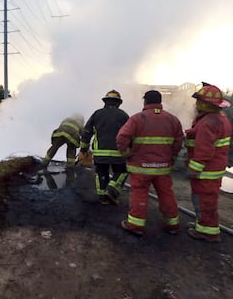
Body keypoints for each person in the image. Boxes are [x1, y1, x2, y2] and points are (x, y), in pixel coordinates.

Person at [116, 90, 183, 236]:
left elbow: (121, 138)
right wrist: (172, 156)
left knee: (139, 194)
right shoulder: (173, 120)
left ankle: (135, 226)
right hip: (163, 168)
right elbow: (179, 142)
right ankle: (172, 225)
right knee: (166, 194)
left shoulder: (137, 118)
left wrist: (127, 154)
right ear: (160, 102)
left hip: (140, 167)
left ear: (145, 101)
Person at [184, 82, 232, 242]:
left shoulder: (208, 122)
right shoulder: (219, 118)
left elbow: (204, 150)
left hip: (206, 172)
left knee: (204, 201)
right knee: (206, 200)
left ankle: (208, 232)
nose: (196, 104)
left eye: (198, 101)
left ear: (204, 104)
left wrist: (194, 169)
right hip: (214, 169)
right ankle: (202, 224)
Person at [79, 90, 129, 205]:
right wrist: (130, 150)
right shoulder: (123, 115)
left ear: (105, 102)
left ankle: (102, 197)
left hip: (100, 152)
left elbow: (87, 132)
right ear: (118, 103)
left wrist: (83, 150)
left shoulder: (97, 114)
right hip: (118, 153)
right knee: (121, 172)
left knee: (101, 172)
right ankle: (111, 190)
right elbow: (129, 134)